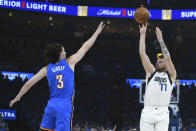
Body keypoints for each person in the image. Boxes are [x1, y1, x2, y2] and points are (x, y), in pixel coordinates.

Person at [9, 22, 105, 131]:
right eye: (64, 50)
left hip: (51, 105)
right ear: (59, 54)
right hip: (64, 106)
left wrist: (18, 96)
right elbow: (85, 47)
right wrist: (96, 33)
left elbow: (28, 83)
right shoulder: (70, 62)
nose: (66, 51)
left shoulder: (46, 69)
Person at [139, 24, 177, 131]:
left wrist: (161, 40)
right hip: (148, 111)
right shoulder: (151, 72)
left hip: (163, 112)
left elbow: (168, 58)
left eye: (161, 60)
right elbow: (142, 54)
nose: (159, 61)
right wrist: (142, 34)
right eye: (157, 60)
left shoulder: (171, 75)